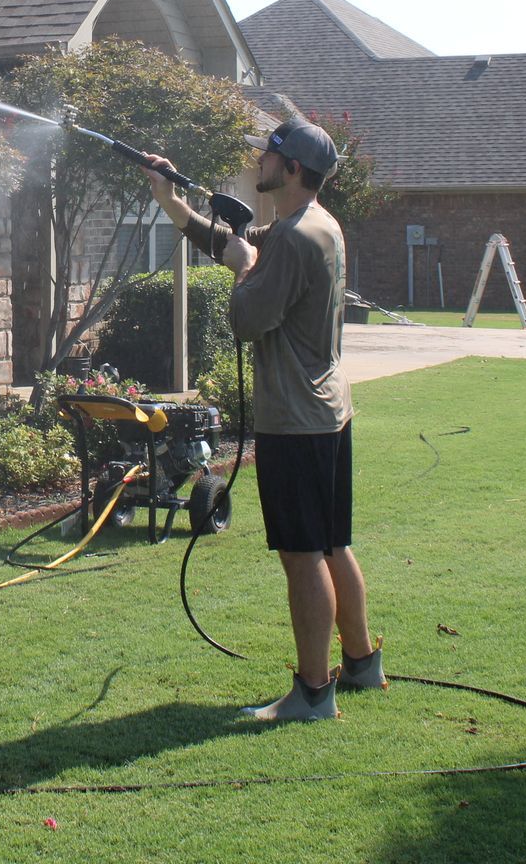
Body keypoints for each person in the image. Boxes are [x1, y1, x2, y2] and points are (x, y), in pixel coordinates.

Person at [143, 116, 382, 722]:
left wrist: (245, 265)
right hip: (327, 412)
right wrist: (172, 201)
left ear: (293, 169)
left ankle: (311, 694)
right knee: (332, 543)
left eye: (269, 155)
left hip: (295, 422)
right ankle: (360, 664)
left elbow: (247, 316)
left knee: (302, 554)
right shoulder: (317, 226)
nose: (259, 162)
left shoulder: (297, 239)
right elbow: (237, 246)